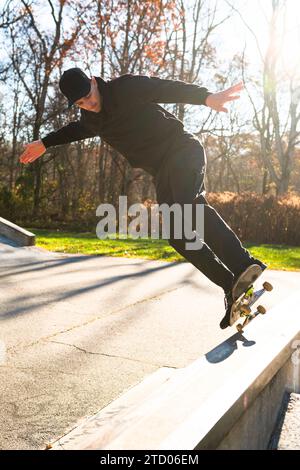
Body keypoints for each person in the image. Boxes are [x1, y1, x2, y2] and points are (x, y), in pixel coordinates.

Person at [19, 67, 266, 329]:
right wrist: (44, 143)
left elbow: (166, 88)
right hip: (162, 170)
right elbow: (73, 131)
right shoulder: (91, 121)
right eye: (81, 103)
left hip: (183, 150)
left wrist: (205, 97)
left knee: (188, 206)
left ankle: (244, 263)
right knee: (177, 235)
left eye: (89, 96)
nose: (89, 104)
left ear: (94, 82)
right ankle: (231, 285)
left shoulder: (126, 88)